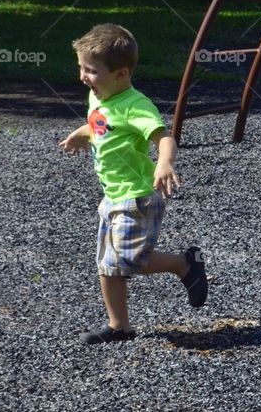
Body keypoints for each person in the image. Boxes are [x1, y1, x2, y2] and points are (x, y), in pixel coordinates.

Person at [59, 23, 208, 344]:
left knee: (127, 261)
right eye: (81, 68)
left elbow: (163, 136)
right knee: (107, 265)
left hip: (138, 197)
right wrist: (81, 134)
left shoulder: (136, 106)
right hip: (112, 197)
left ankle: (185, 264)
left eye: (91, 71)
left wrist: (165, 162)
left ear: (121, 74)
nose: (83, 76)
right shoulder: (99, 95)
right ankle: (119, 327)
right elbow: (100, 125)